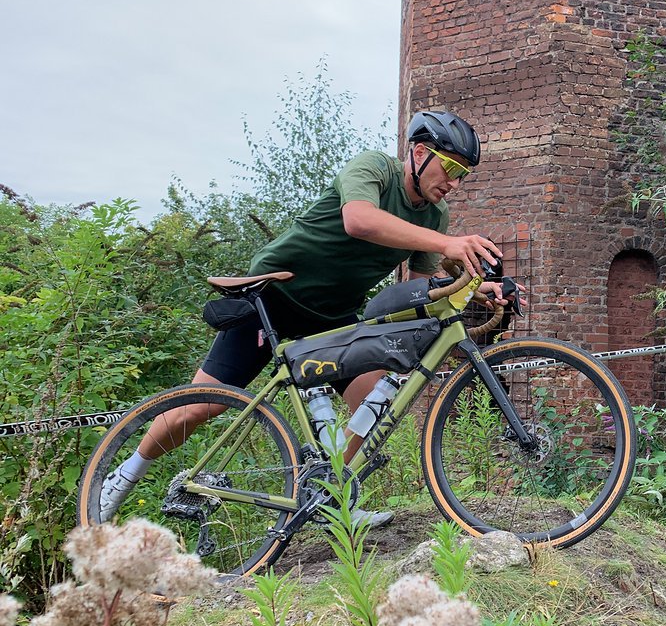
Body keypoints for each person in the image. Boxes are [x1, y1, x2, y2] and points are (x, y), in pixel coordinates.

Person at [101, 110, 509, 527]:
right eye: (452, 168)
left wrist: (471, 287)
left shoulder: (434, 217)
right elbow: (359, 220)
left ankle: (331, 496)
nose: (454, 184)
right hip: (273, 296)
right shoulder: (374, 169)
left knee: (376, 401)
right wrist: (448, 243)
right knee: (199, 406)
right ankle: (123, 475)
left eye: (463, 176)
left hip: (332, 316)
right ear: (420, 153)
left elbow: (419, 288)